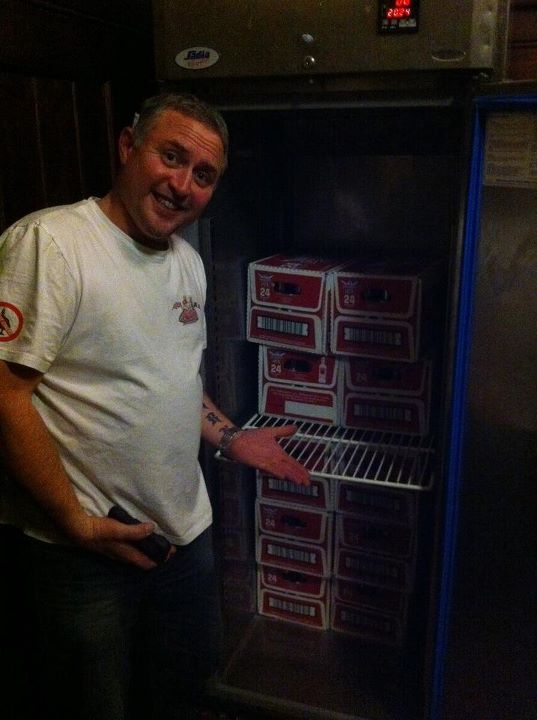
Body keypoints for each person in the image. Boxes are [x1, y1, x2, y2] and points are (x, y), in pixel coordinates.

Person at [0, 92, 310, 720]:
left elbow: (175, 378)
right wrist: (76, 522)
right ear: (127, 146)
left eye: (203, 176)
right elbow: (6, 391)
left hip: (182, 538)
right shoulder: (52, 244)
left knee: (181, 692)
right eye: (171, 157)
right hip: (84, 552)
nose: (182, 185)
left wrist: (230, 438)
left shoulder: (187, 263)